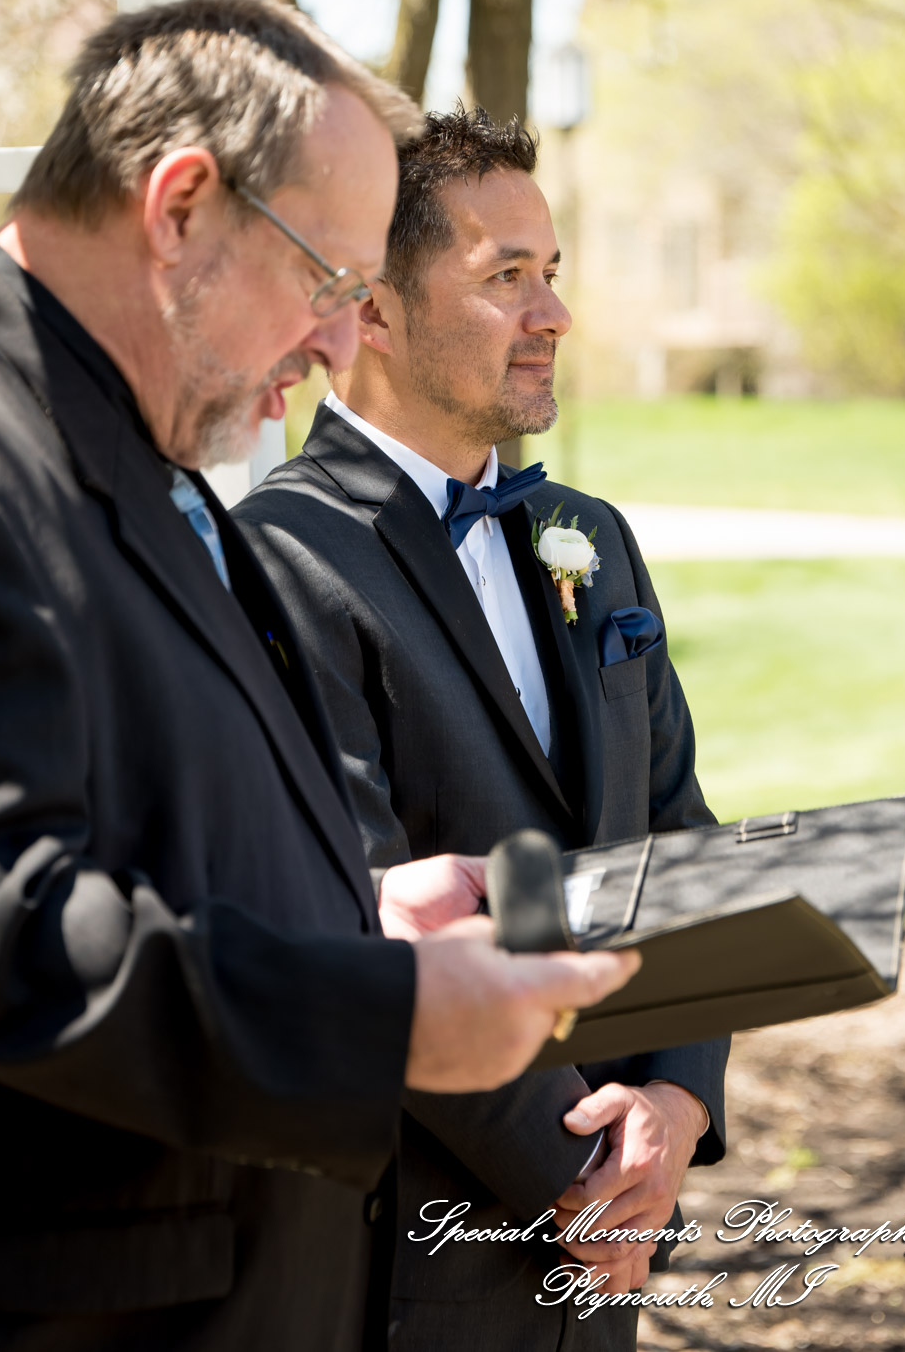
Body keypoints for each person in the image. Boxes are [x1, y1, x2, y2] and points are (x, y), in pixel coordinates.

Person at [0, 5, 639, 1352]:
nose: (334, 344)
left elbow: (130, 819)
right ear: (183, 207)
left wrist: (353, 910)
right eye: (327, 281)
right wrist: (387, 1015)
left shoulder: (120, 439)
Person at [236, 105, 731, 1351]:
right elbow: (350, 906)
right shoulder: (281, 562)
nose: (553, 313)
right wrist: (576, 1177)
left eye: (550, 272)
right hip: (410, 1266)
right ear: (373, 311)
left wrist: (675, 1096)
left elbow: (675, 828)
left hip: (605, 1261)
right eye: (505, 276)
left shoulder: (592, 539)